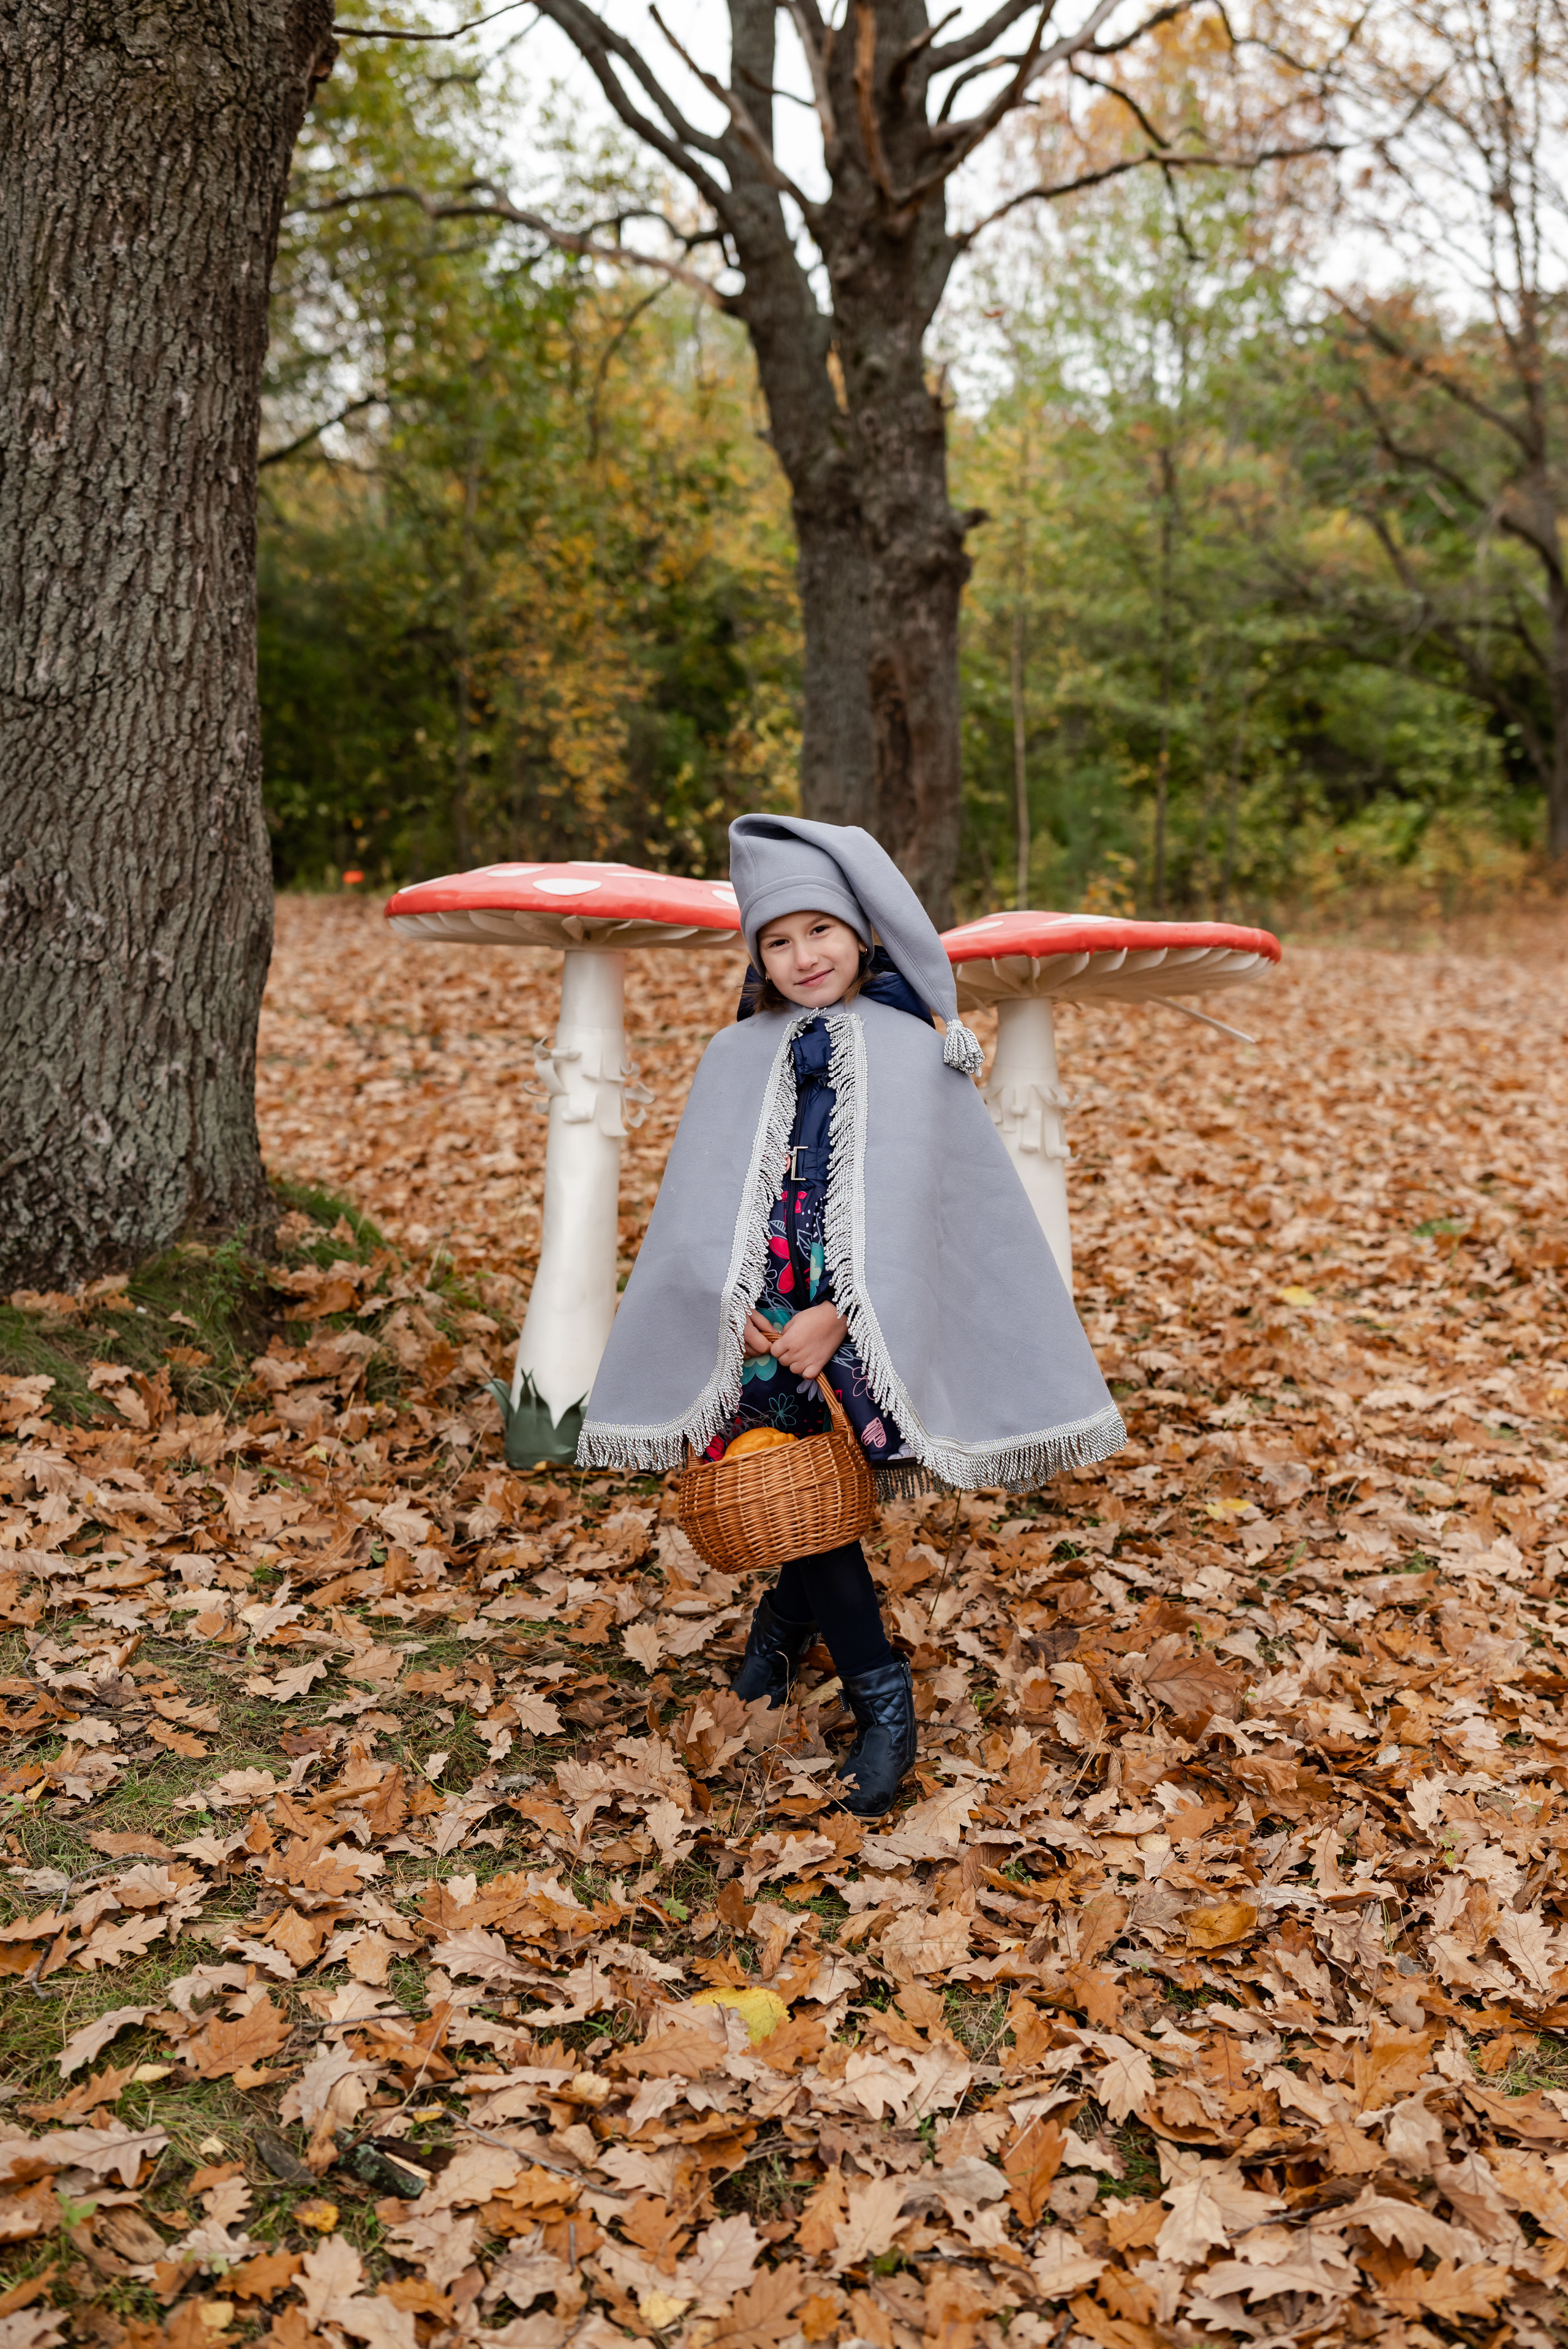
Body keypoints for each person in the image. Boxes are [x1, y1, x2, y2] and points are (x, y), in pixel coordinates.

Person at [577, 816, 1124, 1816]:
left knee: (825, 1498)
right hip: (764, 1328)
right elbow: (699, 1205)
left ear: (864, 933)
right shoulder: (733, 1054)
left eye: (820, 930)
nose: (803, 956)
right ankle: (854, 1681)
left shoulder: (913, 1052)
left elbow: (931, 1210)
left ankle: (826, 1666)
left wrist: (845, 1310)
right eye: (777, 941)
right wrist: (730, 1305)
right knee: (802, 1495)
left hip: (853, 1328)